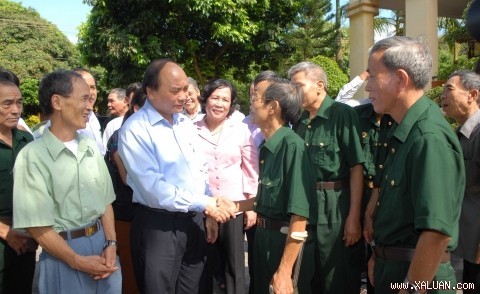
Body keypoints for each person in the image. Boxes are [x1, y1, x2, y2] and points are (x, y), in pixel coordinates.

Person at [118, 59, 237, 293]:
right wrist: (206, 204)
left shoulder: (184, 123)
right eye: (175, 90)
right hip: (159, 226)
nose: (184, 96)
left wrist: (208, 212)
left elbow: (200, 169)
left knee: (195, 287)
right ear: (150, 92)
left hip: (194, 221)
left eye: (185, 89)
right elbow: (153, 189)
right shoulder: (136, 130)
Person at [365, 36, 465, 293]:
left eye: (373, 76)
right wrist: (381, 253)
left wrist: (411, 287)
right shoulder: (403, 130)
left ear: (400, 79)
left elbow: (436, 232)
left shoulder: (428, 137)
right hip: (396, 269)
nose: (367, 87)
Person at [12, 70, 122, 293]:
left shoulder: (90, 146)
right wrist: (77, 261)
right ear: (57, 102)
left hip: (103, 247)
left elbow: (105, 202)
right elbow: (37, 225)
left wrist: (111, 244)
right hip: (63, 254)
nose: (90, 106)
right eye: (84, 98)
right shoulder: (32, 156)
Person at [289, 61, 365, 294]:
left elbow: (356, 167)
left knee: (337, 276)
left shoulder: (342, 114)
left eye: (299, 86)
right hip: (306, 205)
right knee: (308, 276)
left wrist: (353, 217)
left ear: (319, 85)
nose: (295, 93)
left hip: (335, 207)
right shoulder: (300, 120)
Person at [246, 79, 316, 293]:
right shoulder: (268, 147)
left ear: (272, 107)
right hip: (262, 244)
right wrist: (232, 205)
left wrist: (284, 272)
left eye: (256, 99)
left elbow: (299, 215)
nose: (251, 104)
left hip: (282, 248)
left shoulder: (292, 146)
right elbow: (267, 199)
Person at [195, 78, 259, 294]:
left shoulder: (241, 130)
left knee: (234, 267)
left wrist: (250, 206)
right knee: (203, 264)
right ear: (205, 99)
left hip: (234, 207)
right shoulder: (190, 130)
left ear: (231, 104)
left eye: (225, 99)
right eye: (215, 98)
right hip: (203, 207)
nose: (219, 104)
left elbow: (250, 170)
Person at [441, 70, 480, 293]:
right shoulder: (460, 134)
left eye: (449, 89)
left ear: (472, 95)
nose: (442, 95)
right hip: (466, 243)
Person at [0, 70, 37, 294]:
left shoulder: (27, 140)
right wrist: (6, 233)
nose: (16, 110)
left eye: (19, 102)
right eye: (7, 104)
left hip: (26, 238)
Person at [73, 67, 104, 154]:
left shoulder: (92, 118)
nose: (90, 92)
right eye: (85, 87)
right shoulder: (66, 120)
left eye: (93, 87)